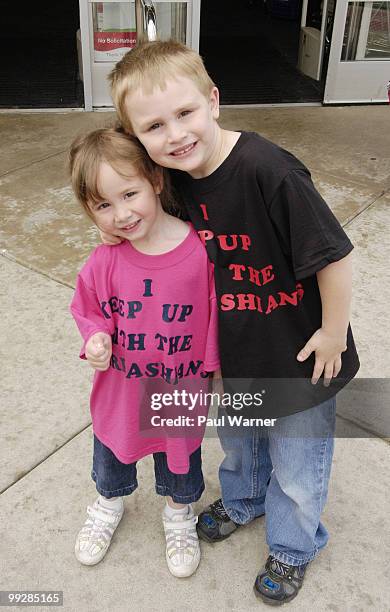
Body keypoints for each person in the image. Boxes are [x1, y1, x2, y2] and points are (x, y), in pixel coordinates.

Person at [101, 40, 359, 605]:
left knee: (297, 462)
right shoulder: (177, 180)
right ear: (136, 138)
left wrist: (333, 332)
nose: (175, 135)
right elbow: (147, 225)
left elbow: (335, 257)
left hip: (300, 353)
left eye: (186, 113)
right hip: (235, 351)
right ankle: (243, 501)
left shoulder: (271, 172)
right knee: (240, 444)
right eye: (154, 127)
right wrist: (117, 228)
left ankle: (294, 547)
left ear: (213, 100)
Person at [68, 127, 220, 578]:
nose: (121, 214)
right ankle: (108, 505)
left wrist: (215, 370)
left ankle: (179, 515)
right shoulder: (105, 260)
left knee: (180, 462)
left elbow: (217, 314)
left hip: (178, 392)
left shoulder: (198, 252)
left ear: (155, 179)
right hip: (121, 390)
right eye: (103, 205)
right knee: (112, 454)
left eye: (129, 193)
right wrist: (95, 337)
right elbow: (88, 307)